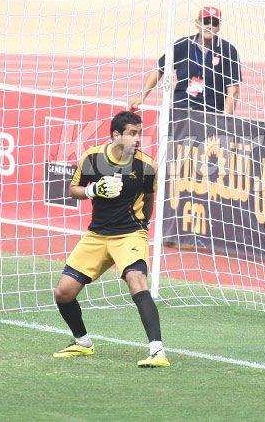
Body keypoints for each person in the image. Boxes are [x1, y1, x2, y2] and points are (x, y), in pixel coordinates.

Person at [52, 111, 169, 368]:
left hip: (129, 234)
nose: (138, 138)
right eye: (132, 133)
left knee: (136, 280)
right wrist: (94, 189)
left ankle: (157, 351)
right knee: (63, 293)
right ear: (116, 135)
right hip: (97, 235)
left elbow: (149, 198)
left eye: (139, 132)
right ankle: (83, 342)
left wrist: (142, 225)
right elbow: (74, 190)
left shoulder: (146, 166)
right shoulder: (92, 157)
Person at [128, 7, 242, 115]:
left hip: (213, 114)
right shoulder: (182, 45)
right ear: (197, 23)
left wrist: (226, 119)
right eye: (206, 21)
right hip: (182, 110)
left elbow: (233, 89)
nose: (209, 26)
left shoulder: (228, 51)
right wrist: (142, 97)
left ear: (219, 27)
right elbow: (159, 68)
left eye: (214, 23)